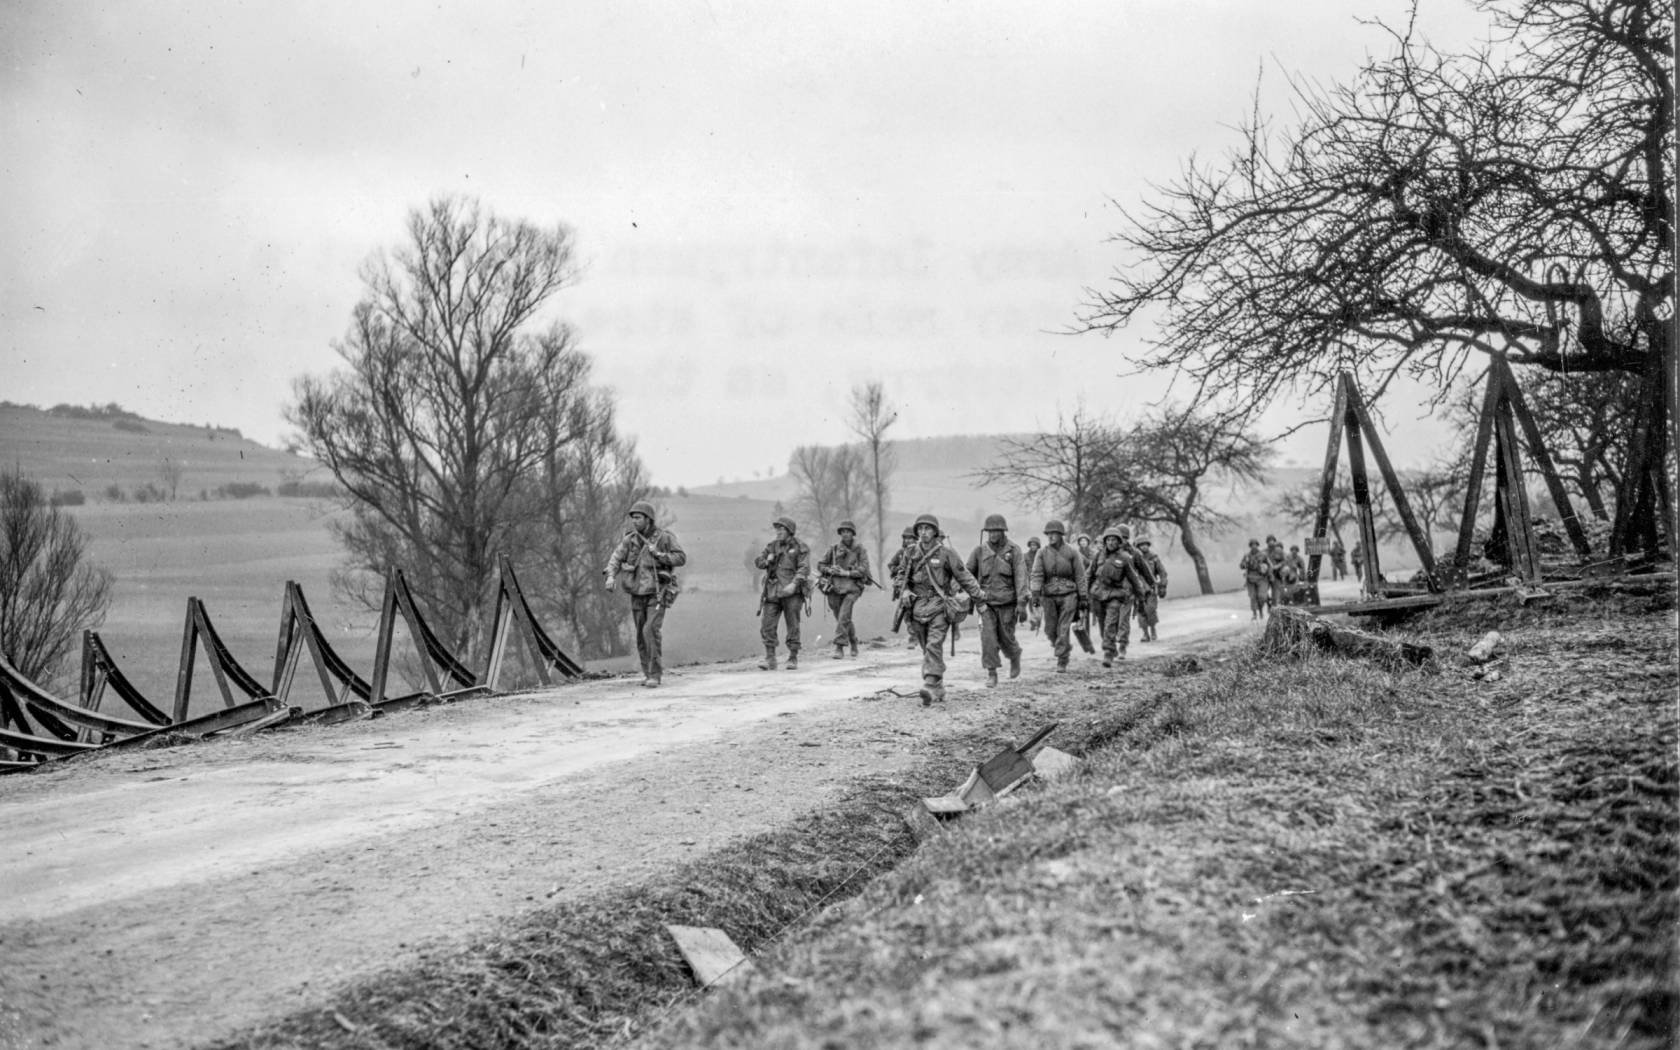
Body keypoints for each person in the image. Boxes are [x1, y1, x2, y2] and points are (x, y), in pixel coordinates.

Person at [895, 513, 984, 705]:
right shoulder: (910, 552)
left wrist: (980, 597)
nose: (923, 532)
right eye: (920, 529)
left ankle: (930, 683)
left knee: (933, 644)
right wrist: (904, 591)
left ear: (935, 531)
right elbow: (901, 576)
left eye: (927, 529)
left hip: (939, 605)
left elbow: (964, 576)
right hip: (916, 607)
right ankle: (938, 685)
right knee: (925, 645)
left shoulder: (946, 554)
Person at [602, 500, 687, 688]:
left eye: (638, 518)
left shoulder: (664, 538)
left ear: (648, 519)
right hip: (636, 593)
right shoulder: (630, 540)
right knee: (641, 634)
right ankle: (647, 673)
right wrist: (610, 576)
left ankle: (655, 675)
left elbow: (680, 557)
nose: (635, 521)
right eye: (633, 518)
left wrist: (660, 555)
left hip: (657, 592)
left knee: (650, 631)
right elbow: (616, 558)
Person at [965, 514, 1029, 688]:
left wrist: (1022, 602)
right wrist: (957, 588)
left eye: (996, 531)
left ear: (1003, 531)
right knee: (988, 639)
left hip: (1008, 603)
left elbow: (1021, 577)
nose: (992, 534)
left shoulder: (1014, 551)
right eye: (990, 531)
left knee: (1006, 638)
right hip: (986, 604)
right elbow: (966, 573)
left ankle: (1014, 655)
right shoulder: (979, 551)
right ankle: (991, 673)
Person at [1028, 520, 1088, 672]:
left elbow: (1080, 575)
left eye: (1053, 534)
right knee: (1050, 629)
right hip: (1048, 595)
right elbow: (1036, 573)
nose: (1050, 537)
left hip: (1069, 594)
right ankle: (1064, 647)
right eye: (1048, 534)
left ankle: (1062, 659)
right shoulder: (1042, 553)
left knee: (1063, 627)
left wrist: (1083, 596)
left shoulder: (1072, 552)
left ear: (1061, 535)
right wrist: (1035, 592)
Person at [755, 516, 810, 670]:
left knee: (793, 624)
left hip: (792, 592)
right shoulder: (772, 546)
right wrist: (767, 561)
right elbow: (758, 561)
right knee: (767, 624)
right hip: (773, 591)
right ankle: (770, 658)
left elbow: (804, 568)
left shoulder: (800, 547)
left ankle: (793, 657)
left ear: (790, 531)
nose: (778, 532)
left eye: (781, 529)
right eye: (777, 529)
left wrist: (794, 584)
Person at [1087, 527, 1145, 666]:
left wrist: (1141, 597)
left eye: (1114, 540)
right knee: (1102, 625)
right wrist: (1083, 593)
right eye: (1108, 539)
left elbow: (1134, 579)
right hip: (1098, 594)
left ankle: (1108, 652)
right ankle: (1109, 646)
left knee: (1110, 624)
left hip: (1115, 594)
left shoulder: (1125, 558)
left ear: (1119, 542)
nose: (1111, 542)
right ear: (1105, 541)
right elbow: (1089, 574)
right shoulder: (1098, 555)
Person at [817, 520, 873, 659]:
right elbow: (820, 564)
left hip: (853, 588)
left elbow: (864, 569)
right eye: (843, 532)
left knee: (843, 615)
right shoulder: (834, 548)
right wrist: (830, 569)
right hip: (835, 588)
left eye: (848, 531)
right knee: (842, 618)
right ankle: (853, 641)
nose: (845, 534)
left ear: (853, 533)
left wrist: (846, 572)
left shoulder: (860, 549)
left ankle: (839, 647)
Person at [886, 525, 919, 649]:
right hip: (904, 587)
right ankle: (913, 636)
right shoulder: (901, 553)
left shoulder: (919, 552)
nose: (907, 541)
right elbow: (891, 565)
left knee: (918, 612)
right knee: (906, 613)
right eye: (905, 538)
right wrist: (899, 569)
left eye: (910, 538)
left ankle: (919, 635)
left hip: (917, 586)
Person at [1135, 537, 1167, 641]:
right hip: (1138, 588)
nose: (1144, 546)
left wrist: (1162, 585)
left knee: (1150, 610)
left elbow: (1162, 572)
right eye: (1141, 545)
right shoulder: (1134, 558)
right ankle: (1145, 633)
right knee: (1141, 611)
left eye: (1145, 544)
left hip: (1151, 588)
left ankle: (1153, 629)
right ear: (1138, 547)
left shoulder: (1154, 557)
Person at [1239, 538, 1269, 620]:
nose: (1254, 546)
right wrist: (1244, 564)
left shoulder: (1263, 555)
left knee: (1262, 597)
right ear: (1250, 546)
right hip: (1250, 579)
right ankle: (1255, 613)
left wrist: (1267, 572)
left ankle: (1261, 611)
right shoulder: (1247, 556)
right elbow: (1241, 565)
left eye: (1255, 544)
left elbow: (1269, 566)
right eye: (1252, 545)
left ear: (1257, 545)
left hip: (1261, 578)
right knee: (1253, 597)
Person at [1023, 537, 1043, 633]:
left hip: (1040, 582)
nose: (1033, 546)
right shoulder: (1025, 556)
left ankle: (1037, 618)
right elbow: (1023, 569)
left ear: (1038, 546)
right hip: (1029, 582)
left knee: (1038, 602)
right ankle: (1033, 620)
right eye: (1031, 545)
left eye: (1035, 545)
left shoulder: (1042, 555)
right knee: (1031, 601)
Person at [1263, 534, 1289, 610]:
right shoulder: (1263, 552)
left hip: (1277, 575)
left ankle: (1274, 610)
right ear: (1267, 542)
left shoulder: (1279, 551)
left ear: (1275, 541)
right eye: (1269, 541)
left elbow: (1285, 560)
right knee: (1263, 594)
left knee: (1275, 596)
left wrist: (1278, 566)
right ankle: (1268, 603)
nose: (1271, 542)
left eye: (1272, 540)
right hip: (1266, 576)